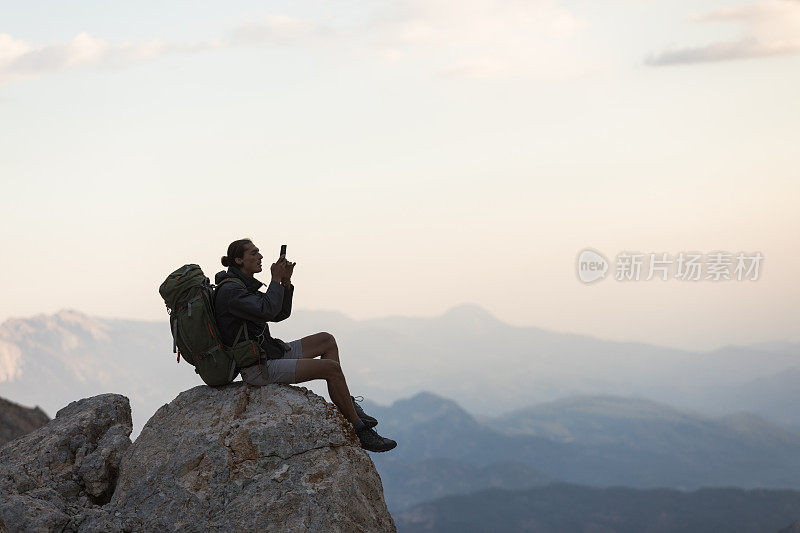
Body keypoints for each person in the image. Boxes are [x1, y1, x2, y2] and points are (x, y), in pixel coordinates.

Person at [214, 238, 397, 453]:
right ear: (238, 260)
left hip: (270, 352)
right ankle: (359, 429)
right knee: (331, 369)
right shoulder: (231, 291)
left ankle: (345, 401)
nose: (260, 257)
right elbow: (268, 311)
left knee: (326, 340)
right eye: (254, 253)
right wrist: (274, 278)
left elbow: (280, 314)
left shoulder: (242, 285)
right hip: (258, 368)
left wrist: (285, 282)